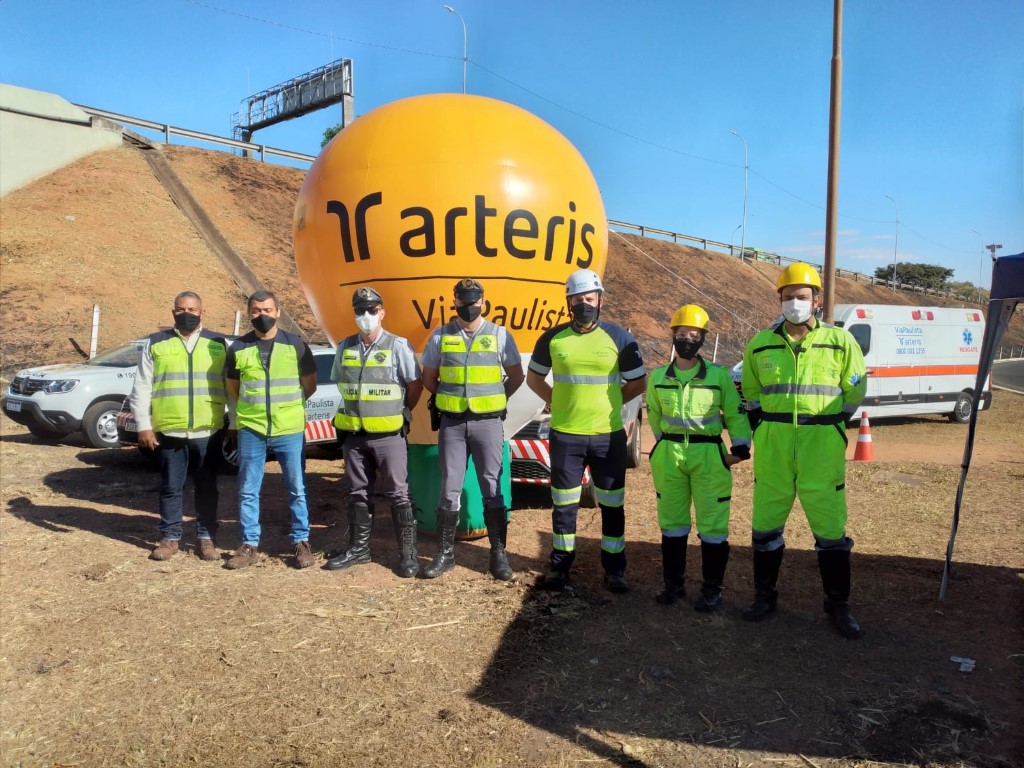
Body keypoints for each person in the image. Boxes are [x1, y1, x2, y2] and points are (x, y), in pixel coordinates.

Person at [740, 263, 867, 638]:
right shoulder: (760, 343)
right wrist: (765, 424)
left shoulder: (840, 342)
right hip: (774, 447)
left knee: (830, 531)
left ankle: (838, 606)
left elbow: (854, 389)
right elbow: (750, 391)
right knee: (765, 529)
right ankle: (765, 597)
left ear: (816, 301)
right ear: (779, 300)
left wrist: (831, 426)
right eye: (788, 297)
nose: (794, 303)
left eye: (802, 296)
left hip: (821, 447)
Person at [527, 269, 647, 593]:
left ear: (601, 300)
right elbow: (533, 378)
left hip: (608, 436)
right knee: (564, 506)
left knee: (612, 505)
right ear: (568, 302)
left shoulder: (620, 338)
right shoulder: (552, 339)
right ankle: (560, 569)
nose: (584, 304)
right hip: (566, 436)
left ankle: (615, 570)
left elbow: (639, 381)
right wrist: (556, 401)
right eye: (577, 299)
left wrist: (612, 401)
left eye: (589, 298)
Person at [646, 305, 751, 610]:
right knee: (672, 523)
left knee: (713, 526)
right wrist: (661, 447)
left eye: (694, 335)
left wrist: (739, 450)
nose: (688, 339)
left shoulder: (718, 376)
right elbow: (654, 415)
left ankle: (711, 591)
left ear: (703, 338)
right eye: (682, 334)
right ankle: (673, 586)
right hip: (670, 455)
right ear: (673, 336)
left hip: (709, 457)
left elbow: (736, 412)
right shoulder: (658, 377)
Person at [420, 278, 524, 580]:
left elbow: (516, 376)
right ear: (455, 302)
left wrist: (496, 399)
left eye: (474, 300)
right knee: (449, 486)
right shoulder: (439, 336)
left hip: (488, 423)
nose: (469, 306)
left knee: (491, 486)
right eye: (463, 300)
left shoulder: (500, 335)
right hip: (452, 423)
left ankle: (498, 555)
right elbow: (429, 379)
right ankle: (445, 554)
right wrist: (448, 399)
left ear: (483, 302)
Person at [324, 287, 423, 577]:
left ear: (382, 312)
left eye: (371, 310)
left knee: (398, 493)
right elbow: (342, 385)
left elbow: (414, 384)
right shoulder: (344, 347)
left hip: (388, 435)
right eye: (359, 310)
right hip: (354, 435)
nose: (365, 315)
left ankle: (408, 555)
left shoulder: (397, 346)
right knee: (357, 492)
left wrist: (406, 411)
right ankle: (359, 550)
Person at [130, 291, 228, 562]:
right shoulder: (155, 343)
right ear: (173, 311)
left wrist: (234, 423)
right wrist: (143, 426)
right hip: (169, 429)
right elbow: (141, 386)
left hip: (208, 430)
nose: (187, 313)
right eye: (181, 308)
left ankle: (206, 538)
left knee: (207, 487)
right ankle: (170, 537)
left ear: (202, 313)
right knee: (171, 487)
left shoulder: (218, 343)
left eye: (193, 309)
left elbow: (231, 386)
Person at [224, 290, 318, 570]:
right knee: (247, 489)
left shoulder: (296, 345)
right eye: (256, 311)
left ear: (278, 311)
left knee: (297, 488)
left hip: (288, 428)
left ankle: (301, 542)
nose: (261, 315)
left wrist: (287, 410)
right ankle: (249, 544)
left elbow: (309, 385)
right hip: (251, 428)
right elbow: (233, 388)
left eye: (267, 310)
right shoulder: (238, 348)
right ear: (249, 313)